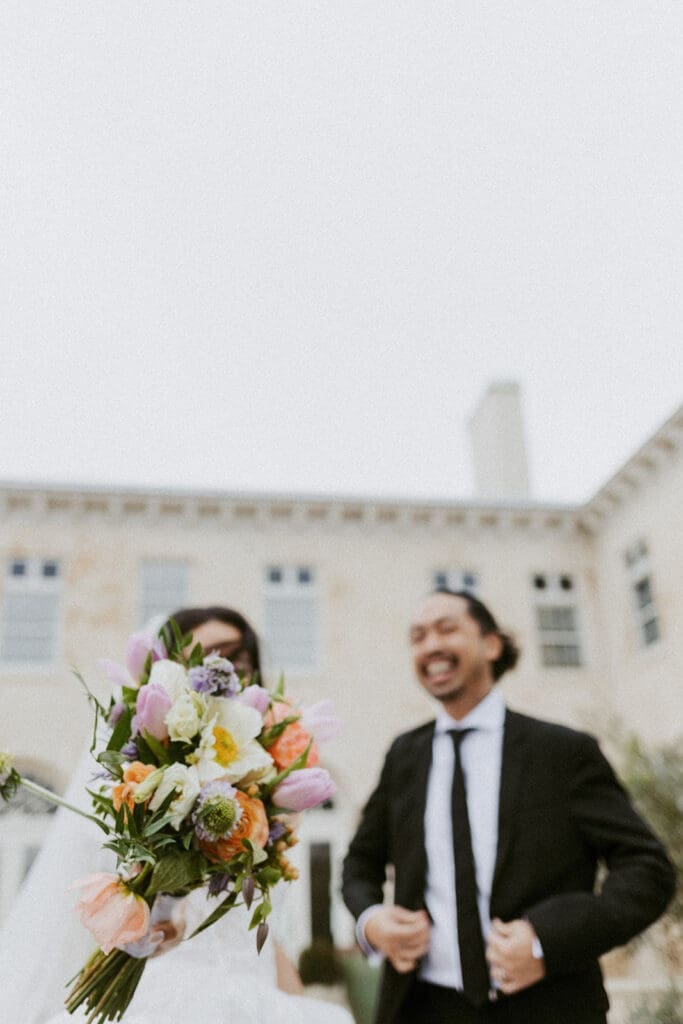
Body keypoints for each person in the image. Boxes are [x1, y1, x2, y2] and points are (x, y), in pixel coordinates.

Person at [0, 605, 353, 1024]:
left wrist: (294, 1001)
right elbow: (130, 910)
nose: (232, 670)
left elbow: (259, 934)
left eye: (243, 659)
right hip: (170, 998)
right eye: (216, 655)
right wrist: (153, 923)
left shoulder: (266, 792)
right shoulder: (141, 783)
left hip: (252, 995)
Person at [342, 588, 675, 1024]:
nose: (430, 646)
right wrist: (371, 922)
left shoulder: (563, 752)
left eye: (447, 629)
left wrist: (547, 940)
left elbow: (648, 869)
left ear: (491, 644)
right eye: (418, 636)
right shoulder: (404, 756)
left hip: (548, 1008)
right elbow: (359, 862)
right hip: (423, 1008)